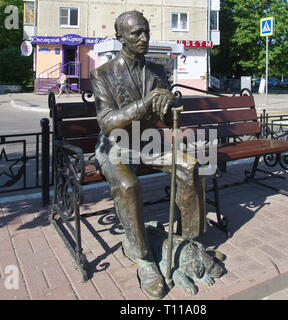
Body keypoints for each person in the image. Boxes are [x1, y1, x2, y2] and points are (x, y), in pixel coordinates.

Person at [90, 10, 205, 299]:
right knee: (129, 186)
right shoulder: (103, 74)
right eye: (136, 33)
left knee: (190, 166)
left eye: (146, 31)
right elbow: (106, 122)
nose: (144, 38)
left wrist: (170, 109)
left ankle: (187, 244)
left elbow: (164, 119)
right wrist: (145, 105)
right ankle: (144, 259)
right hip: (114, 146)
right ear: (120, 38)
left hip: (148, 142)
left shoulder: (157, 71)